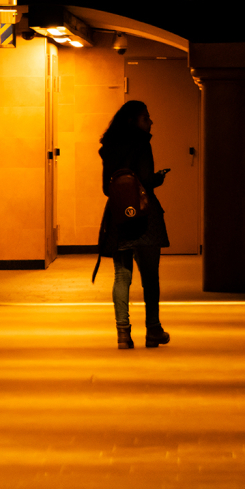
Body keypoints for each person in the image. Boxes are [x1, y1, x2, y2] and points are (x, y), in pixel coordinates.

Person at [97, 101, 172, 349]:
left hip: (119, 216)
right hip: (145, 217)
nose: (150, 122)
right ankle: (153, 330)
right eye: (145, 118)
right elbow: (147, 180)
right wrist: (158, 178)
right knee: (150, 277)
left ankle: (123, 334)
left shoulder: (108, 148)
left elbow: (107, 188)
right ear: (133, 120)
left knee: (121, 276)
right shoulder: (142, 143)